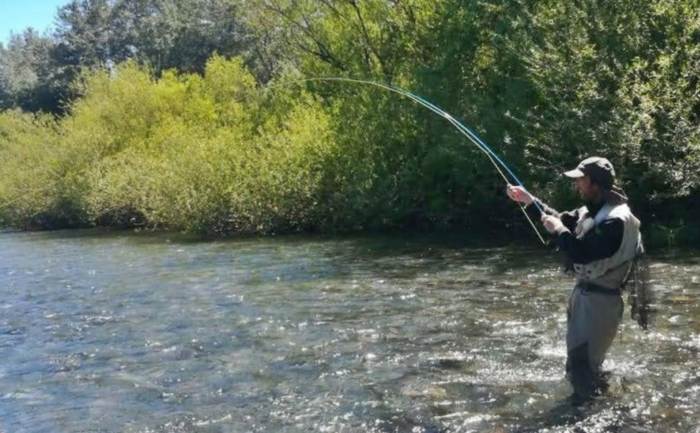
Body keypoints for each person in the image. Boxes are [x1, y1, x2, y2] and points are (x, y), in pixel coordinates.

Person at [506, 156, 643, 400]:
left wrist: (558, 230)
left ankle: (588, 415)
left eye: (580, 180)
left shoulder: (616, 221)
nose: (576, 185)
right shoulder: (594, 209)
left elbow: (582, 253)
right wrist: (529, 200)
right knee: (579, 367)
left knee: (581, 369)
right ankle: (599, 405)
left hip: (599, 304)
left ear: (593, 182)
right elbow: (561, 217)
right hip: (586, 298)